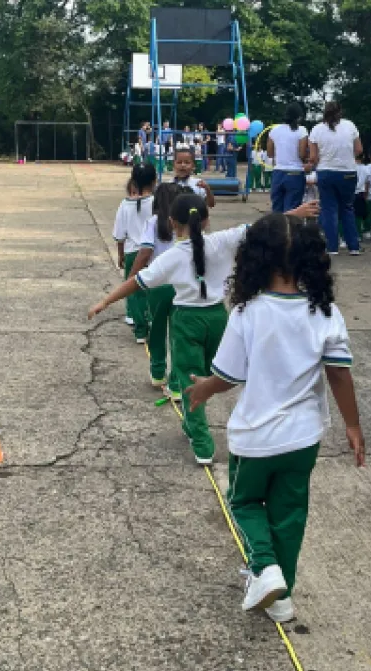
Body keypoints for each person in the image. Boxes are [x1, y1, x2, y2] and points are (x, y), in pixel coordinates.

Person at [186, 212, 365, 622]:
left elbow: (227, 377)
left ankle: (264, 568)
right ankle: (282, 596)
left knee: (245, 502)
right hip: (303, 440)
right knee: (289, 515)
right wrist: (353, 426)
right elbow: (339, 374)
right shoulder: (326, 313)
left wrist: (200, 389)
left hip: (256, 437)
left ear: (254, 259)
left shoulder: (248, 313)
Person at [91, 196, 319, 466]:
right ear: (206, 219)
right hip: (218, 319)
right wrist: (296, 211)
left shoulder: (171, 257)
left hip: (186, 321)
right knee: (214, 378)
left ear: (172, 223)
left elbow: (137, 282)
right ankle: (194, 425)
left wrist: (106, 301)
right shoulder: (222, 241)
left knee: (189, 381)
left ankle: (202, 441)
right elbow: (265, 226)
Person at [129, 183, 186, 398]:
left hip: (158, 286)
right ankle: (176, 384)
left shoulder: (153, 223)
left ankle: (157, 373)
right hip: (182, 286)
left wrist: (132, 277)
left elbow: (145, 253)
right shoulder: (186, 224)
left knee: (158, 331)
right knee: (179, 335)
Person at [309, 102, 362, 255]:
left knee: (329, 209)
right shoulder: (350, 126)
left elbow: (313, 157)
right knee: (347, 208)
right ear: (341, 112)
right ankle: (353, 246)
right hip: (348, 172)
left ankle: (332, 247)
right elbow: (358, 150)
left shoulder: (317, 129)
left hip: (326, 172)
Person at [112, 163, 157, 342]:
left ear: (133, 181)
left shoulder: (125, 205)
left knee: (134, 290)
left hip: (132, 253)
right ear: (154, 181)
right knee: (152, 288)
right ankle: (153, 321)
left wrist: (121, 255)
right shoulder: (157, 202)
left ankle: (140, 329)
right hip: (153, 253)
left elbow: (119, 235)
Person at [267, 103, 309, 212]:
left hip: (278, 173)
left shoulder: (274, 130)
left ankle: (277, 229)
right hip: (295, 173)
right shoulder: (302, 130)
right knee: (293, 210)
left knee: (277, 209)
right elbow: (302, 154)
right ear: (299, 117)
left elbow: (270, 154)